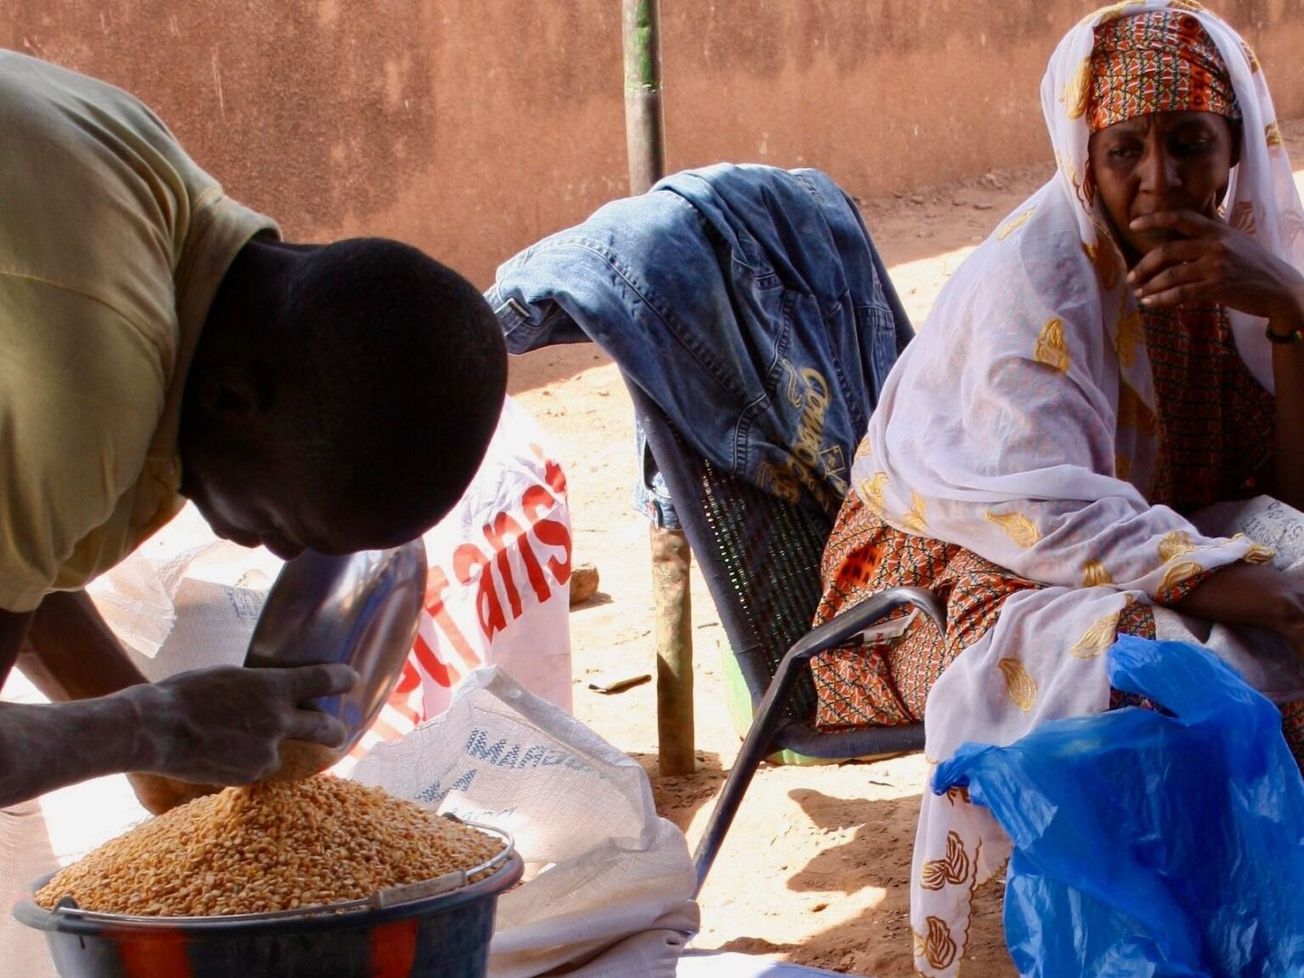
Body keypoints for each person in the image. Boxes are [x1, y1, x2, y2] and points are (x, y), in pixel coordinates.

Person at [806, 3, 1304, 974]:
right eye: (1124, 149)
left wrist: (1286, 307)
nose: (1157, 182)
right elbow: (1039, 515)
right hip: (940, 575)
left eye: (1188, 143)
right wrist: (1270, 595)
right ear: (1082, 154)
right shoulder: (1029, 282)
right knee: (1150, 667)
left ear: (1235, 144)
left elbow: (1288, 488)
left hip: (1143, 541)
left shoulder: (1244, 261)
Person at [0, 51, 507, 813]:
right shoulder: (90, 372)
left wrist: (158, 757)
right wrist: (149, 727)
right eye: (278, 526)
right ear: (236, 399)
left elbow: (17, 554)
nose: (261, 548)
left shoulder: (140, 180)